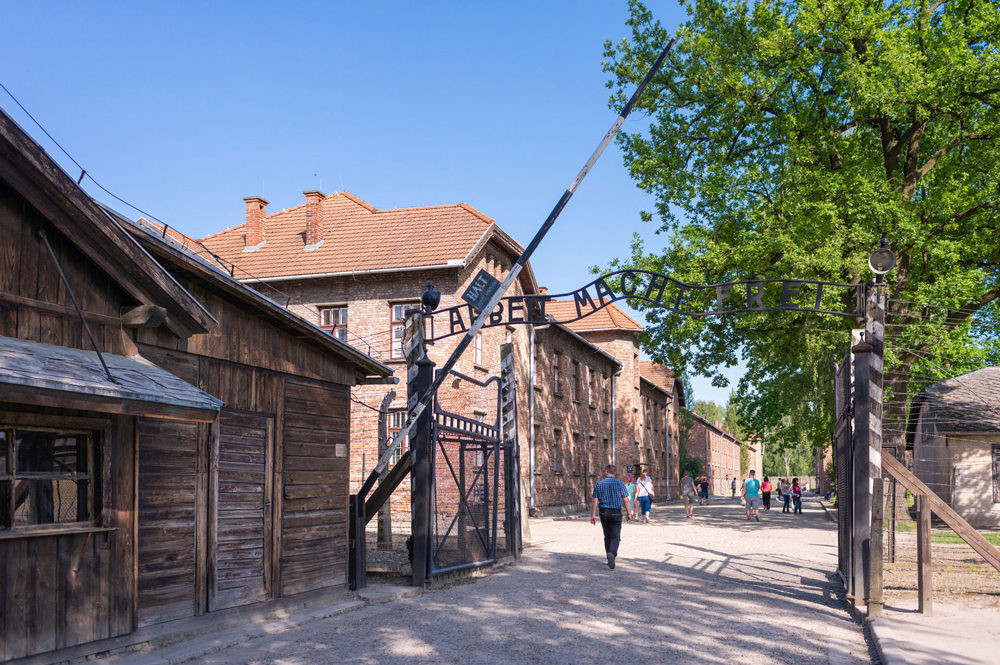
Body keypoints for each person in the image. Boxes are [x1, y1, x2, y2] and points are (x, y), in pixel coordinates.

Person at [590, 464, 633, 569]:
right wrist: (629, 513)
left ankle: (609, 555)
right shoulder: (620, 484)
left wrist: (593, 515)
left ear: (606, 472)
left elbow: (595, 500)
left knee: (607, 536)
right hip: (616, 512)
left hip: (604, 512)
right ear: (614, 473)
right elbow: (626, 500)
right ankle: (612, 553)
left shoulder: (599, 484)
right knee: (615, 536)